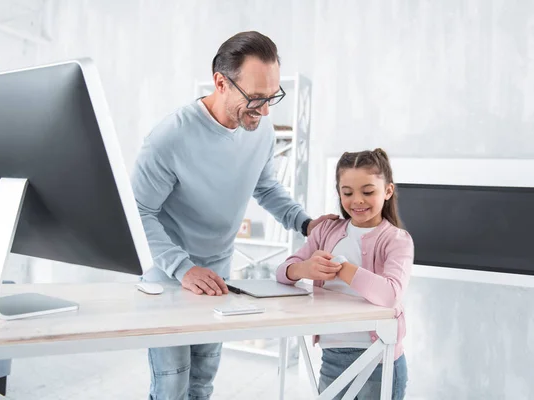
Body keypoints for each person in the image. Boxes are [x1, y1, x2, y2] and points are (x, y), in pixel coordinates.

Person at [132, 31, 337, 400]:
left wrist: (305, 223)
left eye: (272, 97)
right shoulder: (169, 137)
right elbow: (139, 212)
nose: (266, 110)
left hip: (218, 276)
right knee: (172, 385)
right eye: (257, 99)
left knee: (202, 383)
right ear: (221, 83)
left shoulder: (261, 131)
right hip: (168, 277)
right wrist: (183, 268)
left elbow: (266, 187)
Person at [276, 148, 414, 400]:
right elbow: (282, 272)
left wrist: (343, 268)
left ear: (388, 191)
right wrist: (304, 269)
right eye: (347, 193)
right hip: (332, 356)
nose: (357, 201)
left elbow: (391, 294)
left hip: (380, 358)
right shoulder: (326, 231)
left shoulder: (396, 240)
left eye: (368, 192)